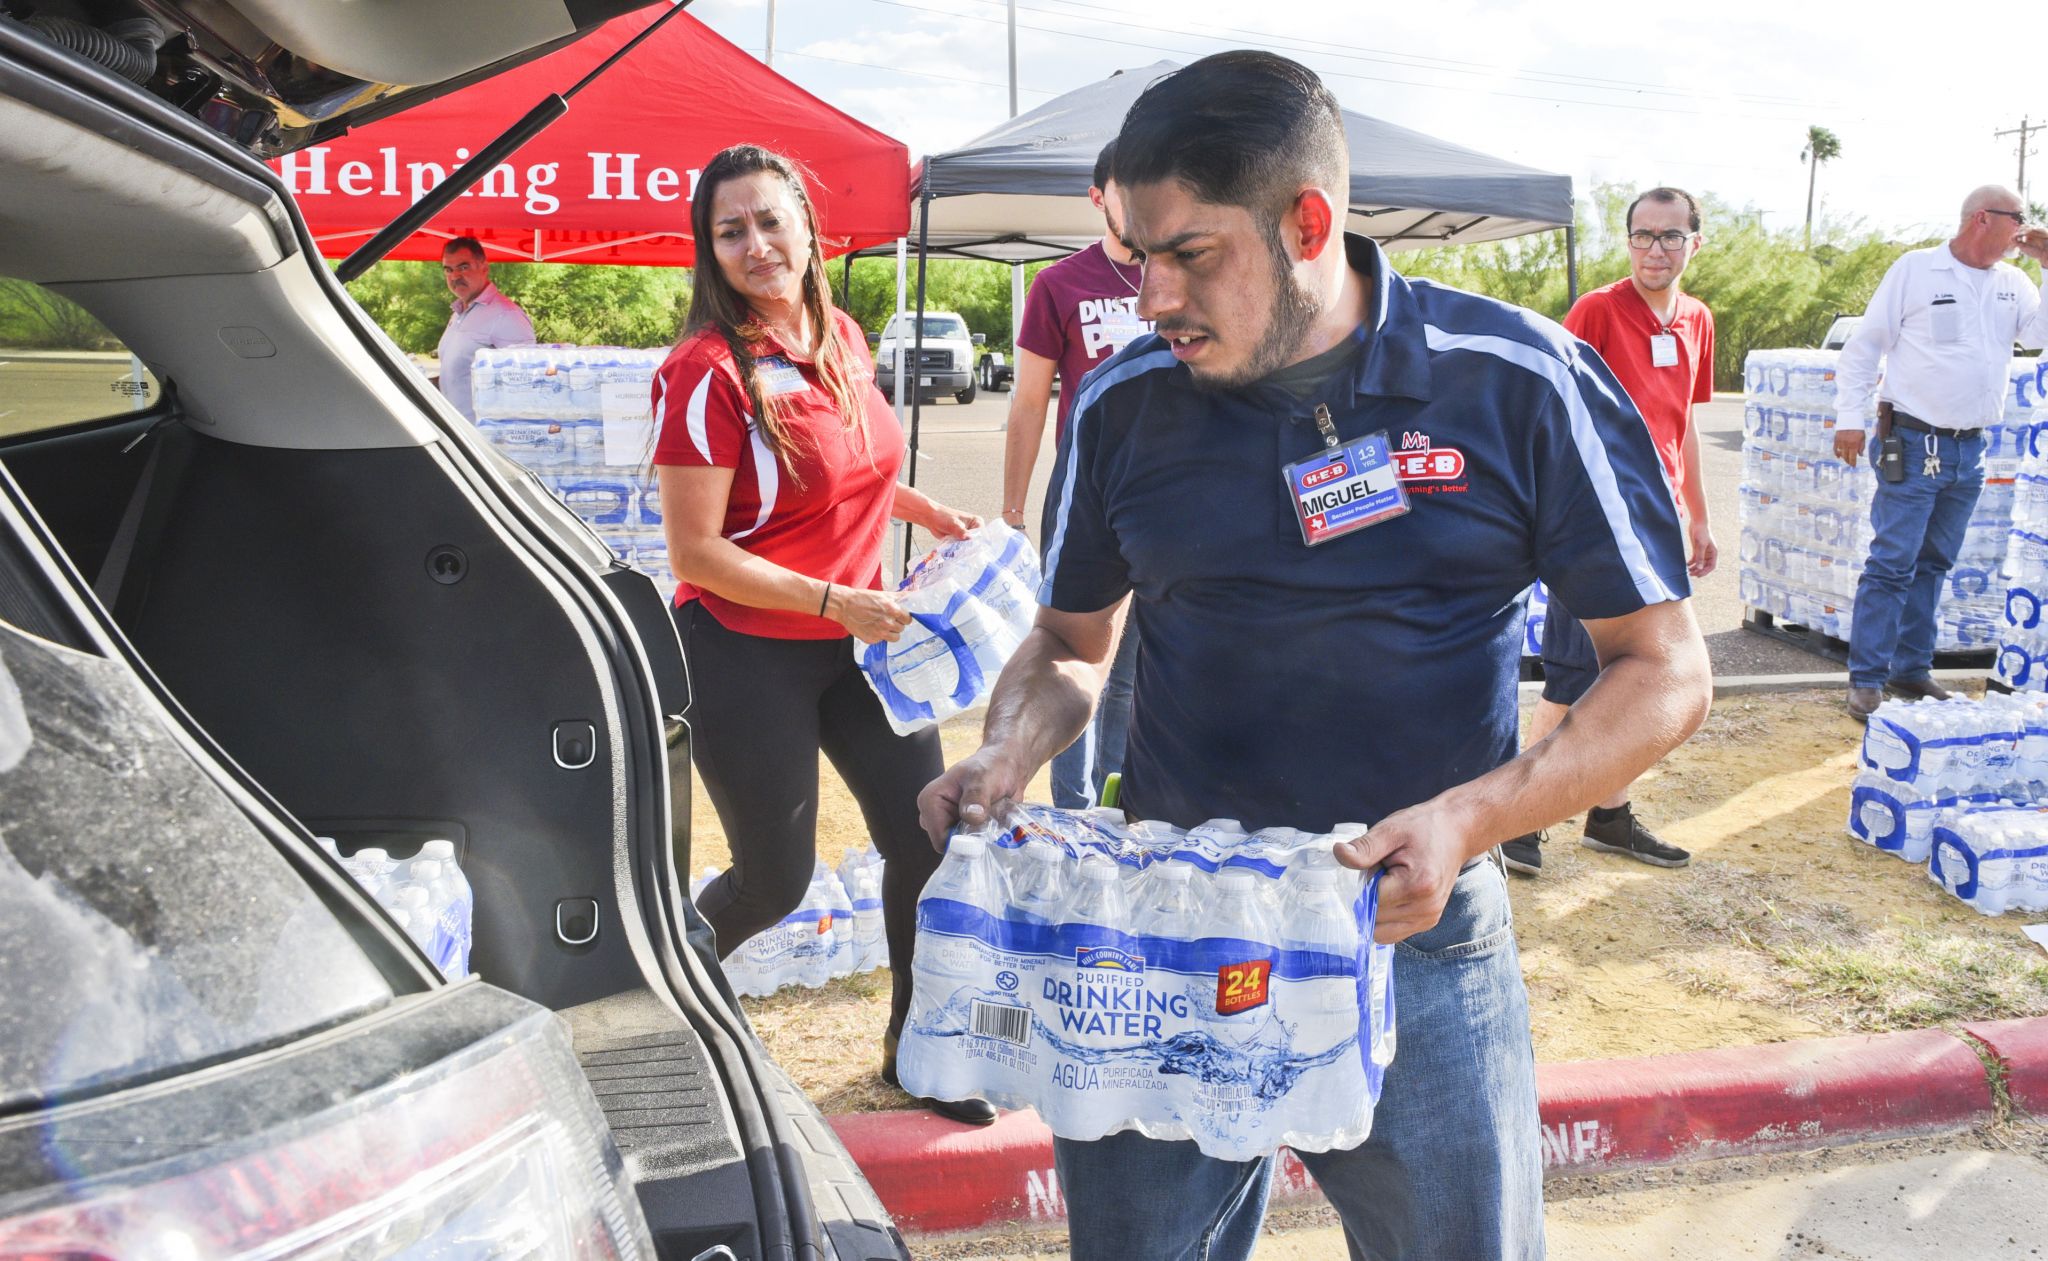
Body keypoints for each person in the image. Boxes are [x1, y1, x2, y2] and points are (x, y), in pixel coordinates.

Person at [918, 52, 1711, 1261]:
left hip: (1413, 936)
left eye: (1189, 254)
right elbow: (1070, 644)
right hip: (1170, 933)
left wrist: (1469, 819)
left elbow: (1662, 668)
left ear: (1306, 223)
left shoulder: (1514, 381)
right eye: (1135, 255)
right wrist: (1006, 751)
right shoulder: (1123, 402)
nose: (1152, 298)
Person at [651, 144, 993, 1125]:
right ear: (710, 251)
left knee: (926, 835)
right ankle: (652, 1009)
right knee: (773, 880)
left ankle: (917, 1052)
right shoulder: (703, 371)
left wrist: (926, 512)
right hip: (741, 648)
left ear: (807, 224)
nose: (755, 244)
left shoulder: (839, 333)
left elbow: (853, 467)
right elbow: (696, 551)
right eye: (730, 231)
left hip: (855, 643)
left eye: (770, 220)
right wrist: (836, 602)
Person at [1501, 187, 1716, 877]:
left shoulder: (1698, 320)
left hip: (1657, 521)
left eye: (1671, 235)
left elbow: (1684, 423)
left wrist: (1697, 515)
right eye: (1643, 235)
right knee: (1574, 673)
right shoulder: (1596, 311)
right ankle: (1516, 823)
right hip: (1593, 520)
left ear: (1694, 243)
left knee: (1636, 672)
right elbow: (1547, 404)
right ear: (1627, 242)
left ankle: (1609, 815)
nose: (1656, 249)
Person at [1836, 186, 2048, 720]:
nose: (2025, 227)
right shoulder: (1917, 270)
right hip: (1913, 443)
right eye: (2019, 218)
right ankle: (1867, 679)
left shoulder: (2012, 282)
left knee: (1933, 563)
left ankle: (1910, 670)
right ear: (1983, 218)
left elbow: (2038, 334)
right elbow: (1866, 345)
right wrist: (1849, 419)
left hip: (1969, 450)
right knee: (1892, 563)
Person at [1002, 140, 1152, 808]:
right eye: (1128, 186)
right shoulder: (1058, 284)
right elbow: (1030, 402)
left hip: (1161, 497)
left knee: (1130, 673)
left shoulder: (1181, 274)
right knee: (1072, 655)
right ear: (1098, 198)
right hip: (1085, 497)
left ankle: (1114, 806)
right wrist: (1012, 508)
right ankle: (1072, 810)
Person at [435, 236, 534, 422]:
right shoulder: (458, 312)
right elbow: (460, 373)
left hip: (484, 434)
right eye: (448, 270)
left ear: (484, 268)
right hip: (456, 429)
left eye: (463, 267)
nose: (455, 276)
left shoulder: (507, 315)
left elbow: (526, 384)